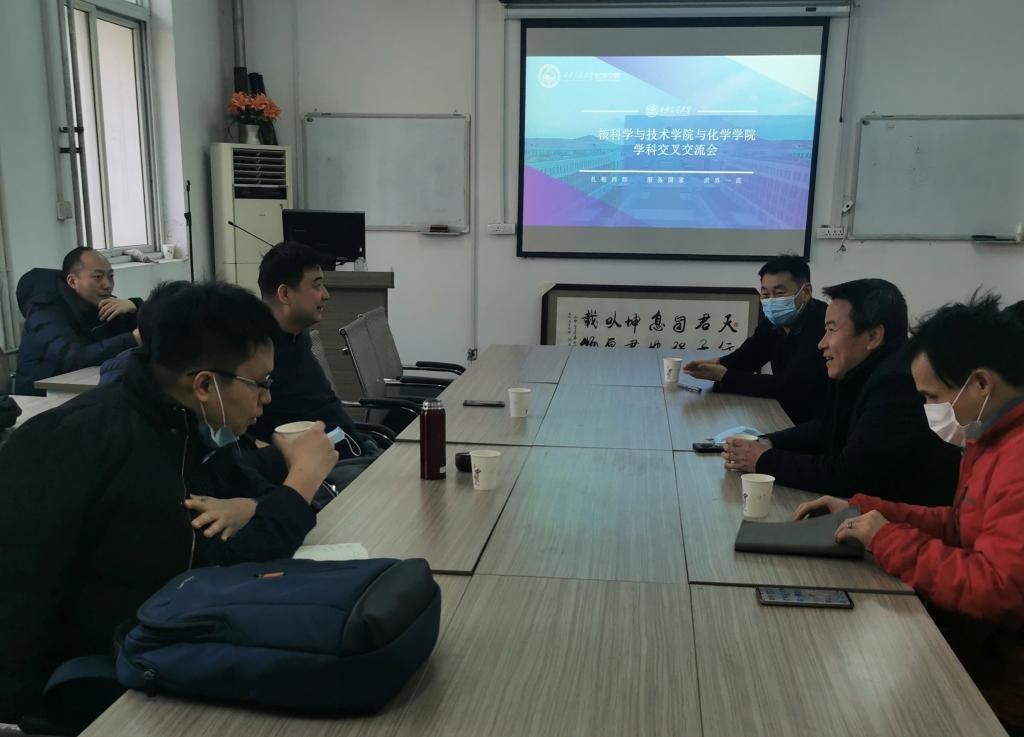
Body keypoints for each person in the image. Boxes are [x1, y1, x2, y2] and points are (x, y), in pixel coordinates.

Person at [0, 281, 339, 728]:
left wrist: (252, 505)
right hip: (99, 689)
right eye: (260, 384)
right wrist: (300, 482)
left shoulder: (186, 423)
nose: (268, 398)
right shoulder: (103, 447)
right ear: (204, 384)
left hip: (154, 657)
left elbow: (247, 497)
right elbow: (222, 576)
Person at [794, 296, 1024, 734]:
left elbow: (997, 590)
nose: (928, 410)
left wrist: (887, 539)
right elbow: (960, 525)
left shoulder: (1017, 454)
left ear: (980, 383)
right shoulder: (992, 437)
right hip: (979, 651)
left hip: (1001, 685)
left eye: (932, 397)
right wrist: (866, 509)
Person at [722, 278, 960, 505]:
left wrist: (764, 460)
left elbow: (849, 476)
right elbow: (828, 428)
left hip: (906, 521)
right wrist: (768, 442)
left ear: (873, 336)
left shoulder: (897, 384)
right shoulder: (861, 369)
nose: (822, 343)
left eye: (831, 329)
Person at [253, 242, 383, 490]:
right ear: (285, 294)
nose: (325, 294)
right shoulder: (257, 355)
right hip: (329, 472)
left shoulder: (297, 337)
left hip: (355, 448)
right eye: (316, 285)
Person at [683, 254, 828, 423]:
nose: (771, 301)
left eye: (779, 293)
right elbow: (749, 355)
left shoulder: (824, 325)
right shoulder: (774, 322)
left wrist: (725, 376)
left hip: (814, 420)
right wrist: (717, 364)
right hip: (783, 410)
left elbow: (792, 386)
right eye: (765, 294)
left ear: (806, 291)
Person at [14, 247, 142, 395]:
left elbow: (157, 323)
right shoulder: (45, 310)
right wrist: (133, 338)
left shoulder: (98, 302)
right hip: (41, 397)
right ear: (72, 281)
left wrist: (135, 307)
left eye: (111, 276)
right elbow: (74, 357)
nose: (107, 285)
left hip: (80, 389)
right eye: (98, 277)